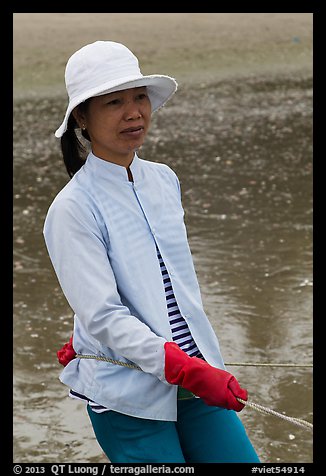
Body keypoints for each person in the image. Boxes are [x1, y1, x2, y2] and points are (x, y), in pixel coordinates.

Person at [43, 40, 260, 463]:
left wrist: (196, 367)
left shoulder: (163, 179)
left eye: (140, 97)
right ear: (82, 117)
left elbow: (166, 281)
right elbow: (103, 313)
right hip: (128, 393)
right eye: (114, 102)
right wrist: (177, 364)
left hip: (197, 378)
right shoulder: (72, 207)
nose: (133, 112)